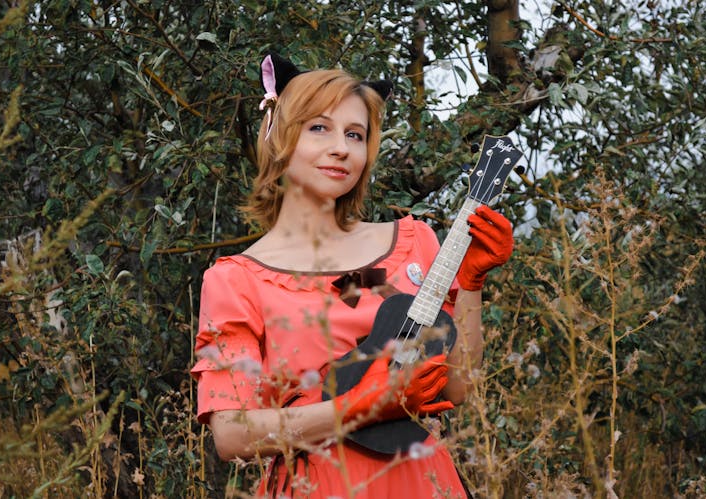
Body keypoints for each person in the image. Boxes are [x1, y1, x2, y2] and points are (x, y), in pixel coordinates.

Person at [191, 52, 515, 498]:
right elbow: (233, 435)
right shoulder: (238, 281)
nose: (341, 147)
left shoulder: (413, 243)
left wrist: (473, 284)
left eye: (356, 134)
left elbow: (456, 387)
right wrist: (360, 407)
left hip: (422, 482)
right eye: (319, 128)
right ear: (278, 135)